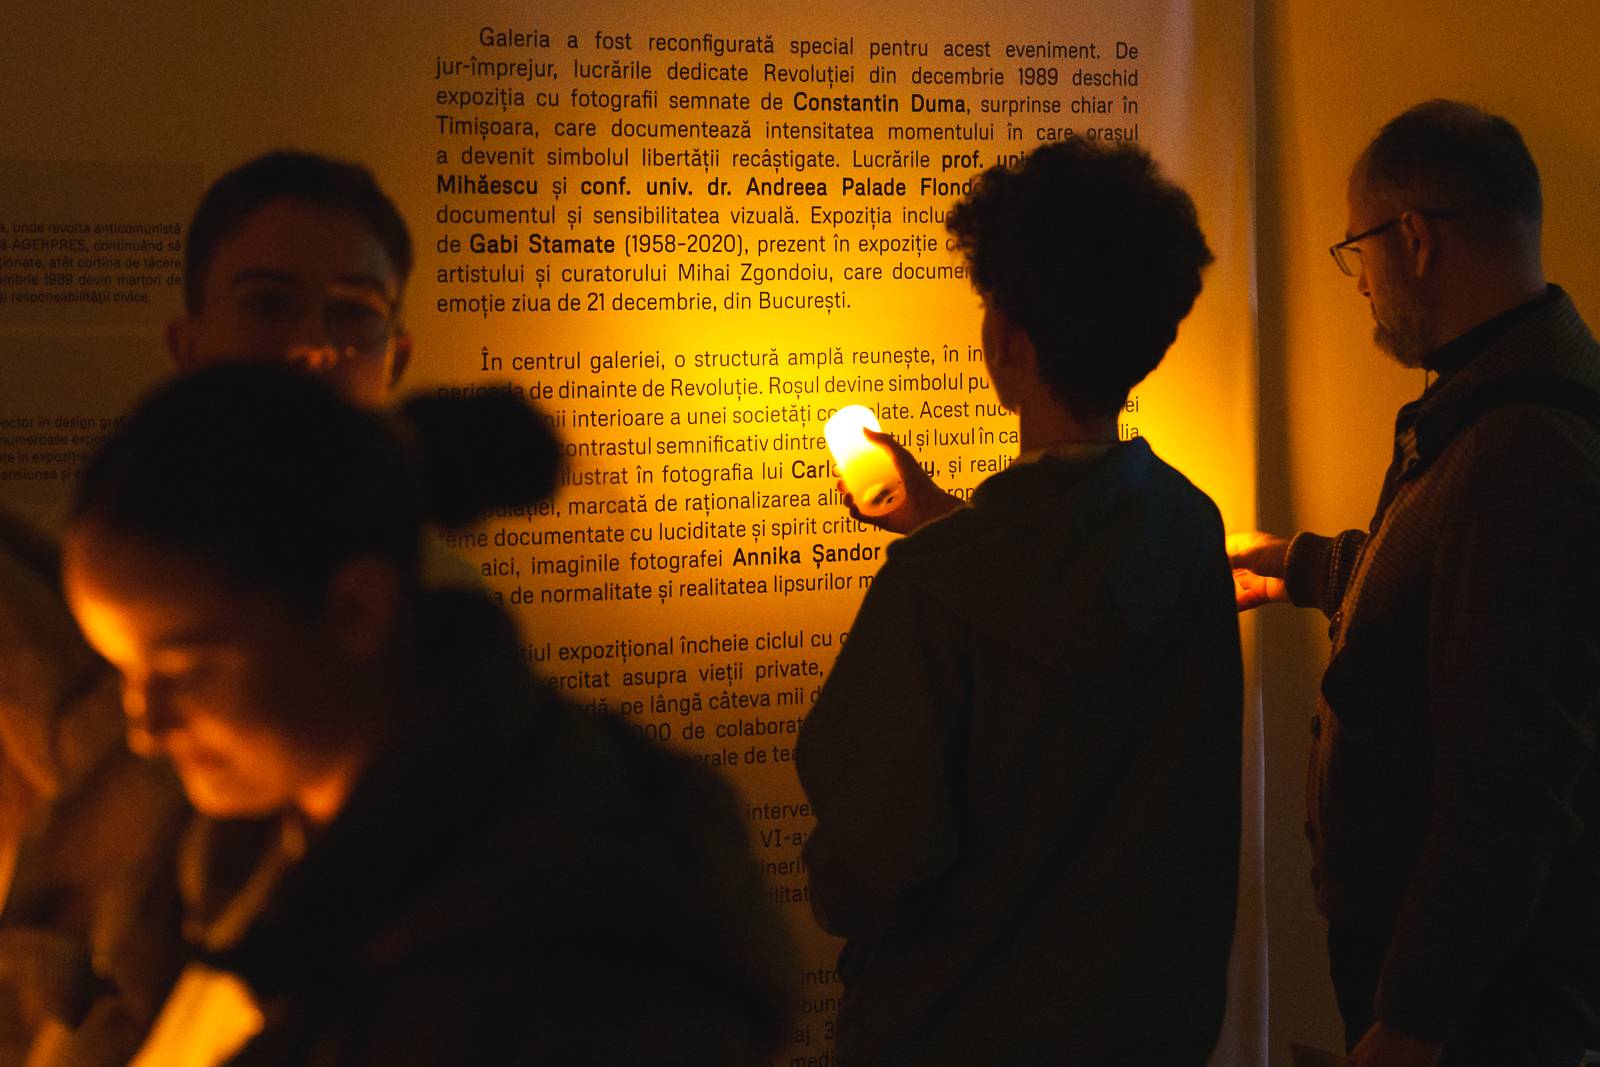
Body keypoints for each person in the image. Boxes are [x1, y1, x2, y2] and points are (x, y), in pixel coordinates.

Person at [60, 364, 796, 1067]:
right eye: (123, 671)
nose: (145, 729)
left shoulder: (581, 957)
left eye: (182, 670)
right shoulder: (257, 870)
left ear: (356, 610)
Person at [795, 139, 1243, 1066]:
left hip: (957, 1029)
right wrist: (939, 519)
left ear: (1008, 341)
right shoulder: (1191, 528)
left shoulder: (931, 589)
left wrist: (939, 543)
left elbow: (871, 865)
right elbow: (1074, 595)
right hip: (1148, 1031)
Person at [0, 151, 427, 1067]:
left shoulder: (431, 622)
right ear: (188, 342)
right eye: (269, 302)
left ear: (395, 356)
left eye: (353, 311)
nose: (311, 345)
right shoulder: (105, 573)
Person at [1230, 100, 1600, 1066]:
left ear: (1415, 239)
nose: (1359, 282)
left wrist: (1412, 1020)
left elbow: (1505, 789)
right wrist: (1306, 566)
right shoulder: (1506, 398)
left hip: (1481, 1004)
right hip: (1469, 978)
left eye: (1357, 251)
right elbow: (1466, 603)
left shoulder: (1524, 448)